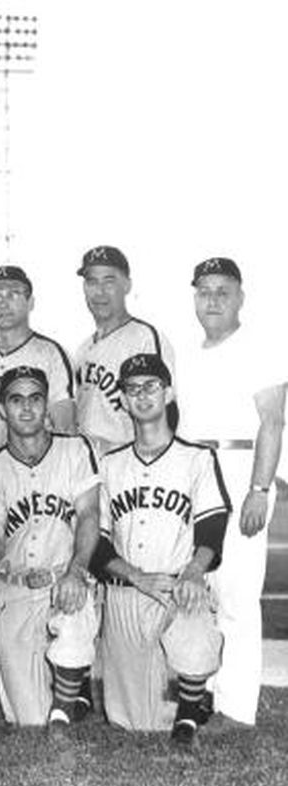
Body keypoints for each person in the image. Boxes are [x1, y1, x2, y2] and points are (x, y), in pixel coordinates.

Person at [89, 353, 229, 748]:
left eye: (150, 386)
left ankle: (188, 713)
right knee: (135, 723)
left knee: (195, 614)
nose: (142, 395)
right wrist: (134, 575)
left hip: (176, 583)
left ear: (167, 393)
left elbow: (212, 529)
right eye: (132, 389)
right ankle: (189, 699)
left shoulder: (197, 457)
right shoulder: (110, 464)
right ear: (123, 400)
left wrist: (193, 571)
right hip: (129, 589)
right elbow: (96, 544)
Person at [178, 257, 285, 728]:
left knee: (239, 596)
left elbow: (273, 421)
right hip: (199, 469)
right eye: (204, 290)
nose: (213, 299)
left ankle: (236, 708)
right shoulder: (190, 351)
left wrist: (259, 488)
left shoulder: (257, 346)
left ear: (241, 296)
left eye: (223, 290)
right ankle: (201, 693)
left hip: (242, 467)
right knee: (206, 586)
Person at [0, 366, 100, 732]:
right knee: (28, 719)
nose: (26, 409)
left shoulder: (76, 449)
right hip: (19, 587)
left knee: (74, 611)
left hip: (64, 578)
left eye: (35, 399)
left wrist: (76, 570)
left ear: (46, 407)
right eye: (16, 400)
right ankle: (64, 692)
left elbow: (90, 516)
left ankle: (67, 700)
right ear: (1, 409)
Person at [0, 266, 76, 468]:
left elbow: (64, 426)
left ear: (30, 303)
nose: (3, 304)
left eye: (13, 294)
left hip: (34, 469)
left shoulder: (49, 353)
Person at [71, 245, 178, 456]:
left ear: (127, 285)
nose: (99, 291)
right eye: (92, 281)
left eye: (109, 281)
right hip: (86, 465)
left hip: (128, 464)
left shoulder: (144, 337)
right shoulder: (82, 350)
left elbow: (168, 411)